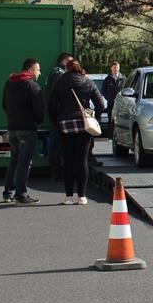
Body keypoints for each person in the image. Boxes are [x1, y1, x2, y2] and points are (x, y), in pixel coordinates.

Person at [48, 59, 106, 205]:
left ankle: (68, 196)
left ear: (67, 68)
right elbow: (101, 104)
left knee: (68, 159)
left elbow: (52, 105)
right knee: (82, 159)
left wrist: (57, 121)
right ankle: (82, 196)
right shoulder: (87, 81)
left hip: (66, 124)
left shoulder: (61, 81)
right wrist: (94, 117)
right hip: (83, 124)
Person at [1, 58, 44, 205]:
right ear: (31, 70)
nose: (39, 72)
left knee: (14, 160)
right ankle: (21, 194)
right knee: (24, 163)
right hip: (27, 128)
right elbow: (39, 111)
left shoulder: (9, 82)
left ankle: (8, 193)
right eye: (38, 69)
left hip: (12, 127)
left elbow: (4, 104)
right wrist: (37, 121)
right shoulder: (32, 86)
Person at [45, 52, 73, 180]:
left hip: (54, 112)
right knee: (58, 144)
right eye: (70, 62)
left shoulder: (54, 73)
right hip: (59, 114)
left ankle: (56, 171)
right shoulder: (59, 74)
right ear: (65, 61)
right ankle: (57, 172)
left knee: (56, 144)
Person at [101, 61, 125, 131]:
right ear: (111, 68)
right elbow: (103, 91)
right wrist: (109, 98)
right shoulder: (107, 79)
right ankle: (110, 136)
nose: (116, 69)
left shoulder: (123, 79)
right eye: (114, 68)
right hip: (111, 103)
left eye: (117, 67)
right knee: (111, 120)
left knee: (122, 120)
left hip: (122, 104)